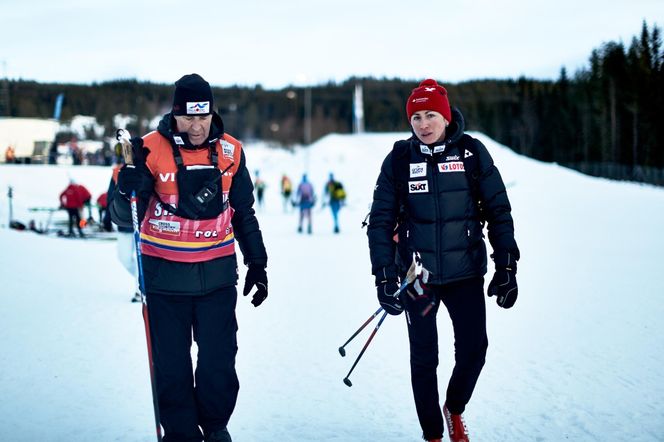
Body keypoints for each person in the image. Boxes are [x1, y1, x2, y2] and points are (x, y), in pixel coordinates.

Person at [110, 73, 268, 442]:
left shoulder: (232, 151)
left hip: (216, 278)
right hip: (164, 281)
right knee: (172, 368)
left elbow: (244, 212)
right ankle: (180, 434)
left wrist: (257, 263)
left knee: (219, 364)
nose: (197, 126)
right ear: (174, 114)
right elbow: (121, 217)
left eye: (203, 117)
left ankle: (214, 427)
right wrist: (125, 189)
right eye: (188, 118)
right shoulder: (147, 150)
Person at [366, 79, 520, 442]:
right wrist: (384, 276)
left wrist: (506, 266)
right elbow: (380, 221)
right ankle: (433, 433)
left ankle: (455, 407)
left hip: (465, 273)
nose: (423, 124)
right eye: (416, 116)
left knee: (474, 349)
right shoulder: (399, 159)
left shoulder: (471, 153)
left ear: (446, 117)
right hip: (418, 278)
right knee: (424, 358)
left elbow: (499, 211)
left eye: (430, 114)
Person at [104, 156, 141, 302]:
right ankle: (145, 281)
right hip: (123, 223)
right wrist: (108, 218)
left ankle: (140, 290)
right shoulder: (117, 173)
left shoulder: (144, 170)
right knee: (124, 257)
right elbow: (110, 197)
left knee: (140, 260)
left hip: (141, 223)